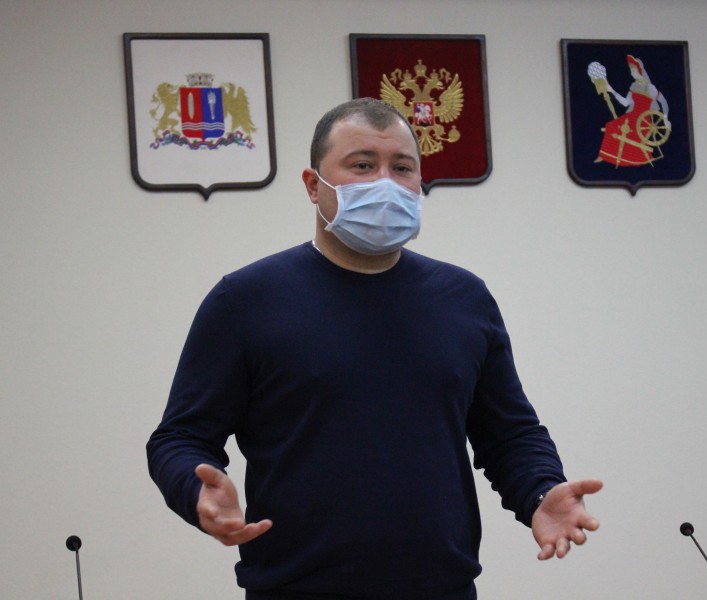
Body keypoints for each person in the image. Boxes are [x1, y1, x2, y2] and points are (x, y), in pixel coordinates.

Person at [147, 97, 602, 600]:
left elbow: (509, 433)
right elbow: (179, 437)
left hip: (443, 589)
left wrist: (540, 490)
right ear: (313, 185)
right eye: (363, 165)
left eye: (402, 168)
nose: (385, 182)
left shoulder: (464, 298)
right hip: (295, 591)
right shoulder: (246, 300)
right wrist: (196, 490)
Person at [595, 54, 671, 167]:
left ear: (640, 70)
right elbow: (625, 103)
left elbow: (663, 101)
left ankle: (614, 155)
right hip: (632, 116)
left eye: (634, 71)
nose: (632, 74)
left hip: (643, 122)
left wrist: (665, 118)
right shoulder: (634, 86)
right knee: (610, 125)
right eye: (631, 71)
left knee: (613, 127)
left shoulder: (651, 88)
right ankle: (605, 155)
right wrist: (612, 90)